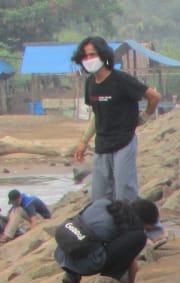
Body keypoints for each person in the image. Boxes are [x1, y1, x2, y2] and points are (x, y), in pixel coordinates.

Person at [72, 36, 161, 204]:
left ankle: (130, 225)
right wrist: (84, 141)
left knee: (124, 192)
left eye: (93, 55)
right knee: (100, 196)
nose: (89, 60)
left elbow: (154, 96)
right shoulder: (90, 83)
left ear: (103, 55)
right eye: (86, 56)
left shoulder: (121, 80)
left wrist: (144, 117)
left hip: (124, 142)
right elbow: (97, 113)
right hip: (102, 145)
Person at [54, 197, 159, 283]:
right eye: (148, 228)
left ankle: (72, 274)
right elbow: (127, 254)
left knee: (89, 235)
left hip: (61, 252)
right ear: (143, 221)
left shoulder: (103, 202)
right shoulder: (133, 228)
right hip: (84, 264)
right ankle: (109, 282)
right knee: (139, 238)